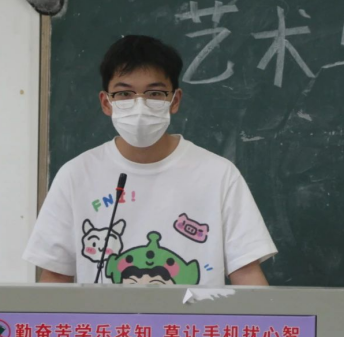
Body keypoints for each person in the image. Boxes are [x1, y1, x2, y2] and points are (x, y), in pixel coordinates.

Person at [24, 35, 277, 285]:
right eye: (124, 94)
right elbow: (55, 276)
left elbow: (247, 274)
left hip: (191, 315)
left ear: (174, 101)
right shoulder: (76, 175)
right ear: (106, 103)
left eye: (155, 93)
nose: (140, 105)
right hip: (106, 316)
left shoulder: (218, 174)